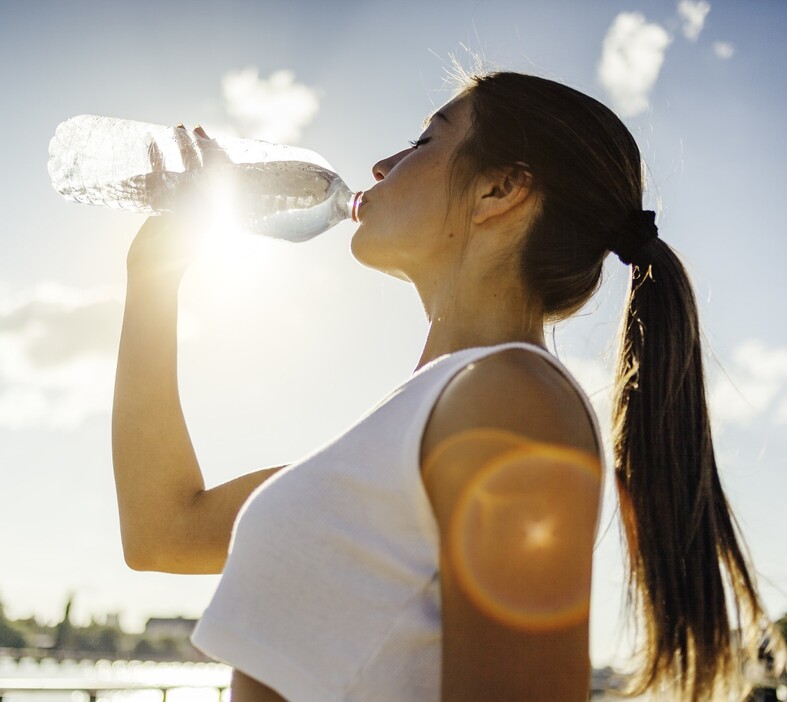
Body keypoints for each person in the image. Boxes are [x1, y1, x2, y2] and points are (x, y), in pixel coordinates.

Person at [112, 71, 781, 702]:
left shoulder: (511, 400)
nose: (380, 167)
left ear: (497, 192)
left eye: (423, 141)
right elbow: (165, 532)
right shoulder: (433, 414)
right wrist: (152, 275)